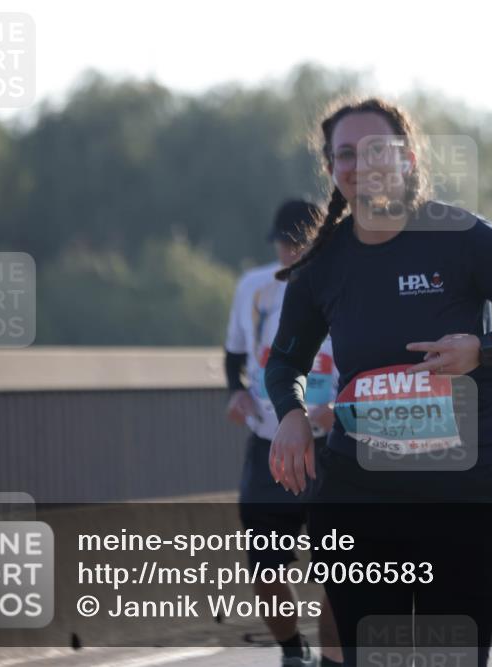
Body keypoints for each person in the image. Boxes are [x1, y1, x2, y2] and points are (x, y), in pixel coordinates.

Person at [264, 98, 492, 666]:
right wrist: (291, 414)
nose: (361, 164)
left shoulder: (464, 238)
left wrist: (482, 348)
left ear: (407, 158)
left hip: (469, 488)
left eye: (376, 150)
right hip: (362, 492)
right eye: (345, 154)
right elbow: (285, 361)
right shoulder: (323, 265)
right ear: (332, 169)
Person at [225, 200, 344, 667]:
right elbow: (234, 355)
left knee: (341, 572)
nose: (291, 252)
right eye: (284, 244)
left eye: (300, 244)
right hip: (269, 445)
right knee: (264, 566)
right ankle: (294, 651)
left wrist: (343, 410)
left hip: (333, 448)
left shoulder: (345, 283)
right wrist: (236, 393)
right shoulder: (253, 288)